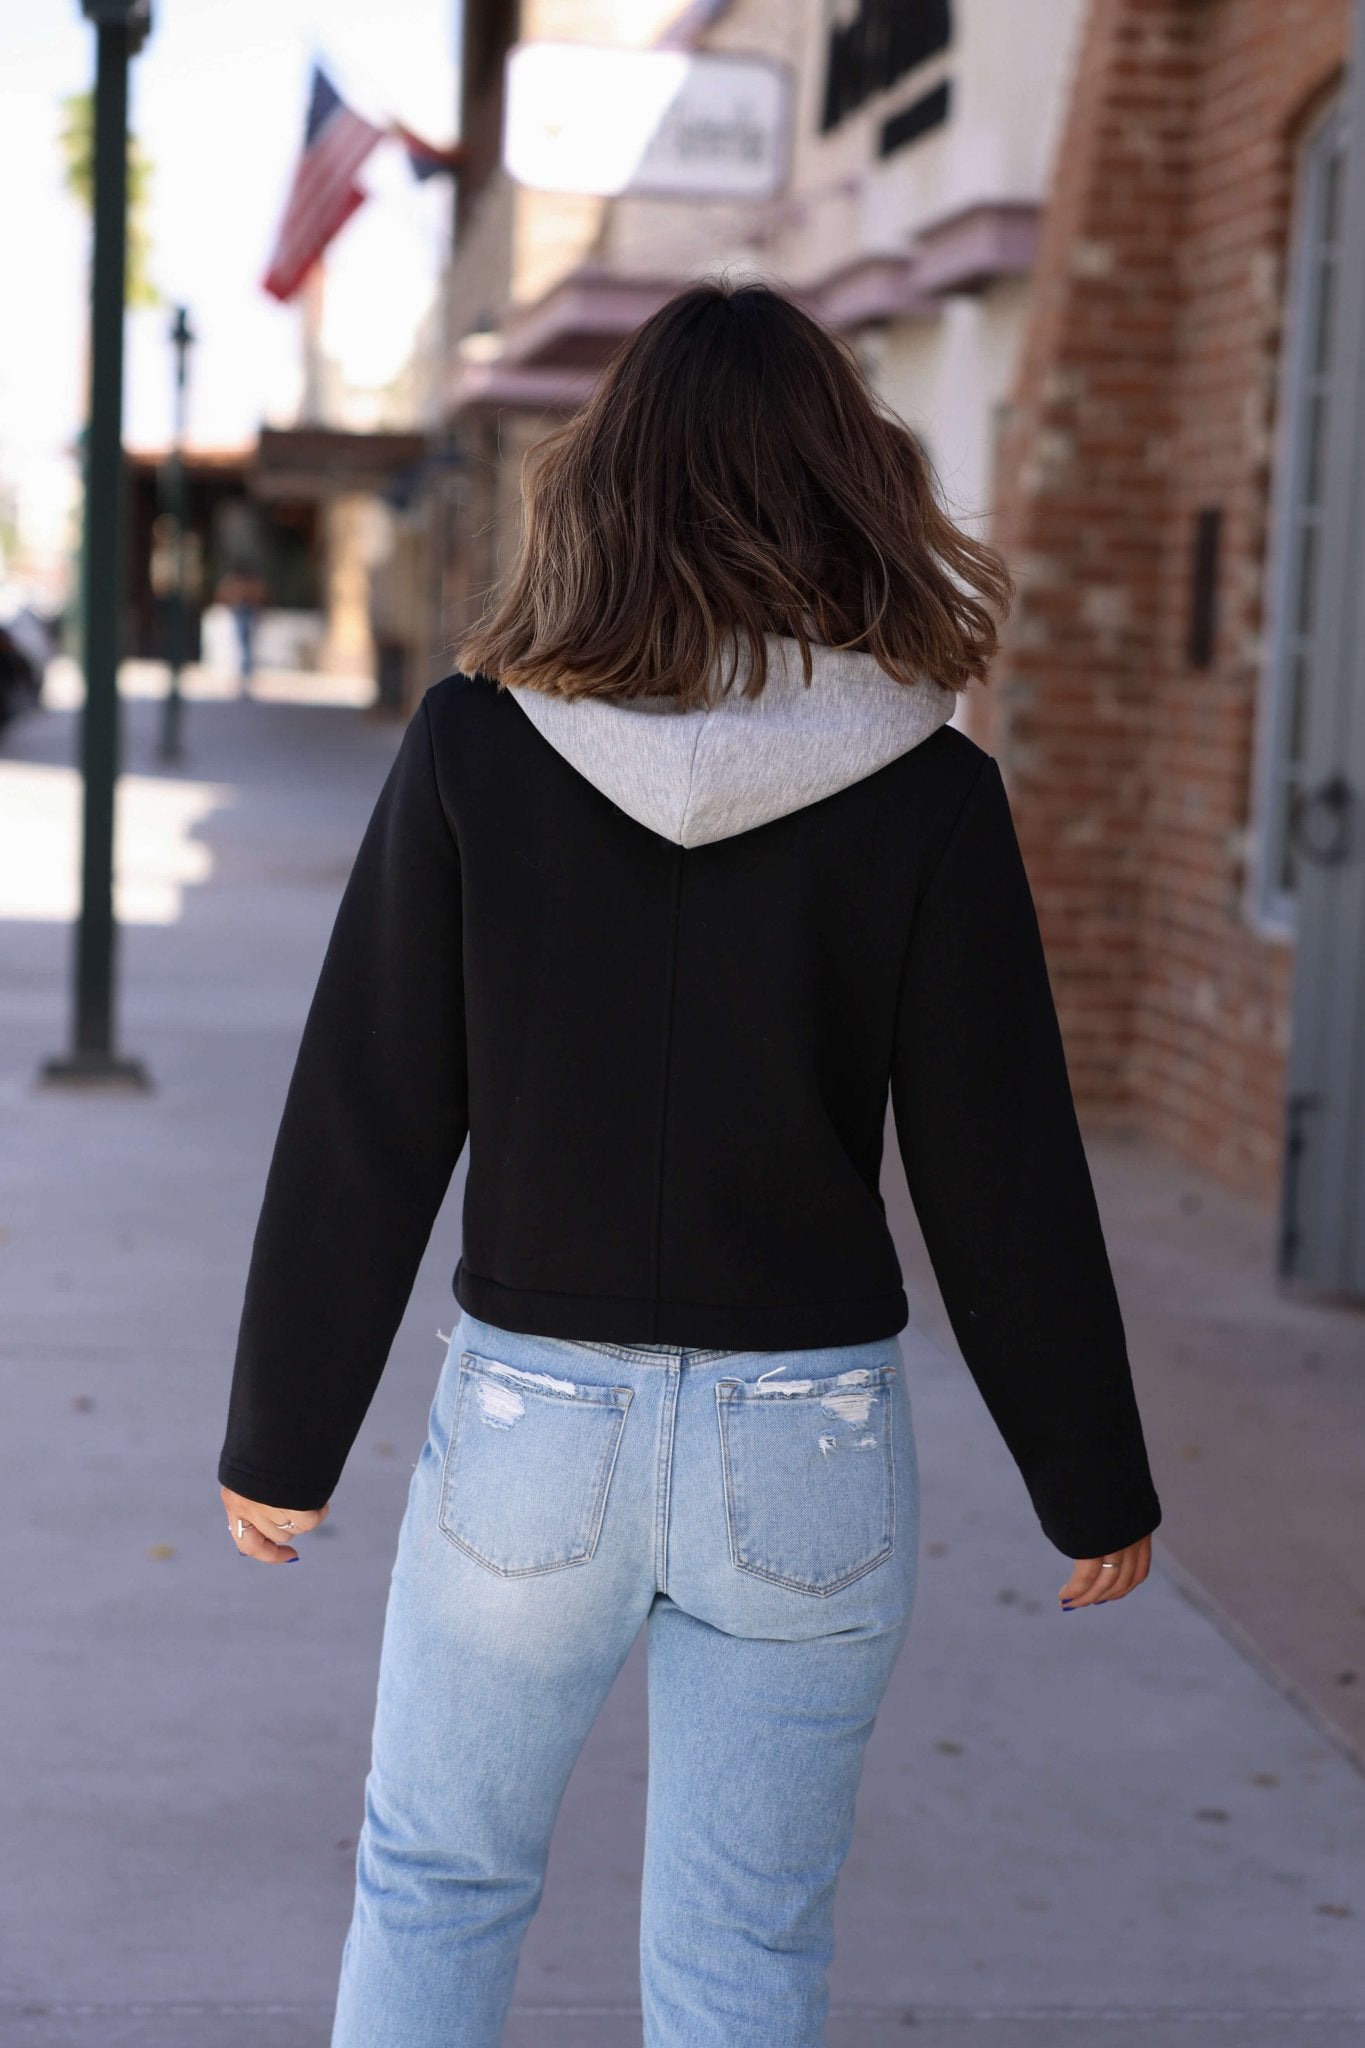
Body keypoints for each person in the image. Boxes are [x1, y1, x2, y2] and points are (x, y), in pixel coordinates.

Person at [218, 280, 1162, 2048]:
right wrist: (1086, 1475)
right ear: (846, 486)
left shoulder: (473, 753)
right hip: (805, 1448)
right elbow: (1001, 1167)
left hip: (525, 1442)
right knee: (744, 1958)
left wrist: (283, 1438)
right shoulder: (927, 789)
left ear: (601, 485)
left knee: (439, 1885)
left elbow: (367, 1111)